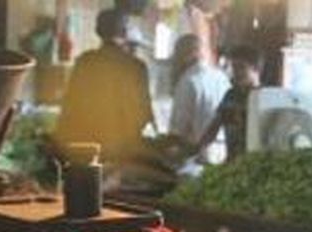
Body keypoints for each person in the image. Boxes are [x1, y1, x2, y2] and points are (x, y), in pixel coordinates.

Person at [54, 9, 154, 165]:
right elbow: (144, 112)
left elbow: (69, 107)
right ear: (125, 32)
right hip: (125, 153)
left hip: (87, 149)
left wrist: (60, 145)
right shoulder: (136, 67)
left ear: (97, 31)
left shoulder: (85, 62)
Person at [192, 44, 262, 163]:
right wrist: (196, 149)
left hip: (255, 164)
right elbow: (214, 126)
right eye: (234, 68)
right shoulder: (230, 95)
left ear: (255, 69)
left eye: (241, 67)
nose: (236, 73)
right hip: (231, 162)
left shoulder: (265, 98)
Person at [168, 34, 229, 163]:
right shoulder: (222, 77)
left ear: (183, 55)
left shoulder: (187, 81)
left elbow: (179, 128)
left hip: (198, 155)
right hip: (225, 152)